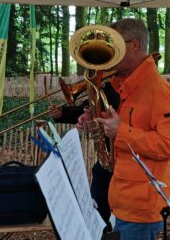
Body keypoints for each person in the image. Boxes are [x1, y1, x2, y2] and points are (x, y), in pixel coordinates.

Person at [77, 18, 170, 240]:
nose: (110, 53)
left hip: (141, 208)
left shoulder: (157, 89)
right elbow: (131, 124)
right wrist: (97, 122)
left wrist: (120, 131)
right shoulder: (128, 85)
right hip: (123, 199)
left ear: (134, 45)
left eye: (115, 45)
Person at [50, 78, 119, 231]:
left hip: (125, 163)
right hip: (106, 161)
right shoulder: (105, 86)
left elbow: (116, 110)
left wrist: (98, 116)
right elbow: (86, 107)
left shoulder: (127, 85)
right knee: (97, 209)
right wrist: (62, 113)